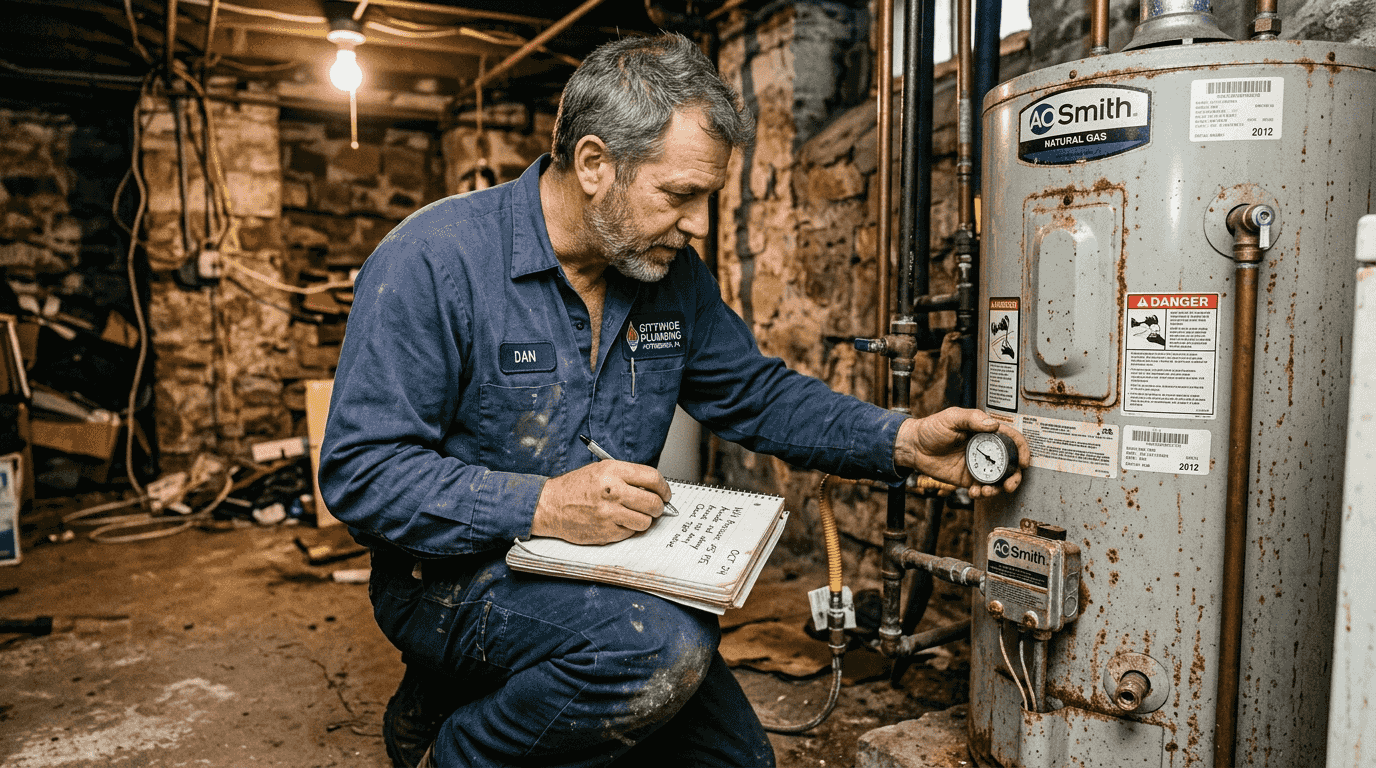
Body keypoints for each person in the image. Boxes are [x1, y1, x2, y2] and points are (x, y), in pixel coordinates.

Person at [319, 32, 1029, 768]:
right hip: (448, 581)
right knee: (656, 651)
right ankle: (450, 744)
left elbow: (755, 394)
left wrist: (902, 440)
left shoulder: (670, 273)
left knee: (737, 761)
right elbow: (362, 475)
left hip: (598, 574)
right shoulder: (432, 261)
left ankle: (471, 697)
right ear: (595, 163)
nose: (698, 224)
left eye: (709, 197)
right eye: (680, 195)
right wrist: (545, 505)